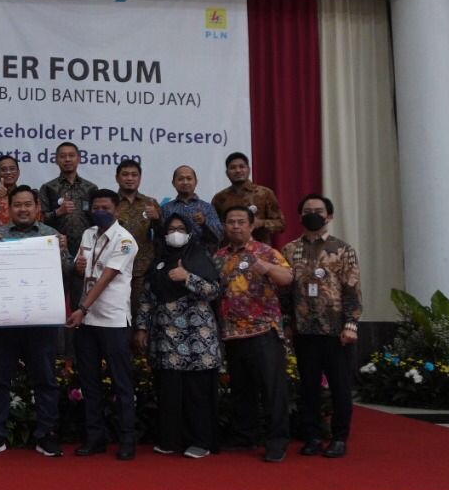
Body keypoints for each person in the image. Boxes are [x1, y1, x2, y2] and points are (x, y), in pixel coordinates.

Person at [0, 185, 72, 456]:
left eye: (27, 205)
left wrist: (61, 252)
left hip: (40, 321)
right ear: (9, 208)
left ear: (37, 208)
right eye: (17, 205)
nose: (23, 209)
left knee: (45, 379)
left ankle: (46, 434)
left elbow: (68, 273)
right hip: (4, 321)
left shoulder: (51, 236)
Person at [135, 210, 222, 459]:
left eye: (181, 230)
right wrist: (141, 327)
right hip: (166, 339)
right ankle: (171, 440)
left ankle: (200, 442)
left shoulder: (200, 258)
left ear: (190, 234)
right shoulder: (159, 262)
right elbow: (147, 297)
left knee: (196, 393)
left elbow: (214, 290)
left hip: (197, 339)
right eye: (171, 230)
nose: (176, 234)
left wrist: (188, 277)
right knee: (169, 392)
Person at [281, 194, 362, 459]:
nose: (313, 215)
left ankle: (339, 438)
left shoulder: (343, 249)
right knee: (308, 387)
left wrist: (351, 323)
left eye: (318, 210)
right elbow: (285, 293)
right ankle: (313, 436)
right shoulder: (290, 250)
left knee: (340, 387)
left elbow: (352, 289)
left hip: (336, 330)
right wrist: (287, 323)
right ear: (299, 216)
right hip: (304, 330)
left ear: (329, 215)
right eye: (307, 211)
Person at [214, 205, 294, 463]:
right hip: (232, 333)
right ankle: (243, 435)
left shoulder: (266, 251)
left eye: (241, 222)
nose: (236, 226)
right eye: (231, 222)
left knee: (272, 389)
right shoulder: (219, 256)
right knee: (241, 389)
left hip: (263, 331)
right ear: (225, 226)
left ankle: (276, 441)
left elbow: (287, 278)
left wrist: (267, 268)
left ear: (251, 226)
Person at [68, 189, 138, 460]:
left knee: (121, 383)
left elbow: (106, 277)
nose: (100, 212)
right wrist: (78, 267)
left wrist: (82, 308)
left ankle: (127, 439)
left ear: (116, 210)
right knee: (89, 381)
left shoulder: (125, 240)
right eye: (95, 207)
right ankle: (95, 437)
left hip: (113, 320)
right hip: (87, 320)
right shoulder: (88, 234)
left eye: (105, 208)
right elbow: (81, 268)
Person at [39, 141, 97, 306]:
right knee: (56, 297)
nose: (67, 159)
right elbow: (39, 220)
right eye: (63, 156)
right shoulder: (48, 188)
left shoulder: (91, 188)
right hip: (58, 249)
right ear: (56, 160)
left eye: (71, 155)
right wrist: (58, 212)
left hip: (84, 248)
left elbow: (96, 220)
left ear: (78, 158)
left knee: (81, 297)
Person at [112, 159, 162, 317]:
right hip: (115, 267)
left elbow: (162, 235)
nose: (130, 178)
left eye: (134, 175)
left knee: (140, 312)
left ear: (140, 178)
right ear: (117, 178)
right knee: (117, 312)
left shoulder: (150, 203)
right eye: (125, 174)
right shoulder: (110, 202)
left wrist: (157, 220)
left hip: (143, 268)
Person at [211, 152, 285, 246]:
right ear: (227, 173)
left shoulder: (264, 193)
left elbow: (281, 224)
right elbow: (214, 228)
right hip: (230, 251)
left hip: (259, 251)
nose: (238, 170)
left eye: (241, 167)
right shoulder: (219, 198)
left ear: (248, 169)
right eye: (233, 168)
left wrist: (261, 223)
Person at [161, 165, 222, 246]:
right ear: (173, 183)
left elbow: (218, 236)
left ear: (196, 182)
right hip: (173, 253)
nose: (185, 182)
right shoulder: (166, 208)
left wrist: (204, 223)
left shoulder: (207, 207)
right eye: (180, 179)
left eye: (189, 179)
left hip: (201, 252)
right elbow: (160, 236)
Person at [0, 154, 39, 229]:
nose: (8, 172)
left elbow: (38, 221)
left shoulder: (29, 197)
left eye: (12, 169)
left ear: (18, 172)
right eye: (4, 170)